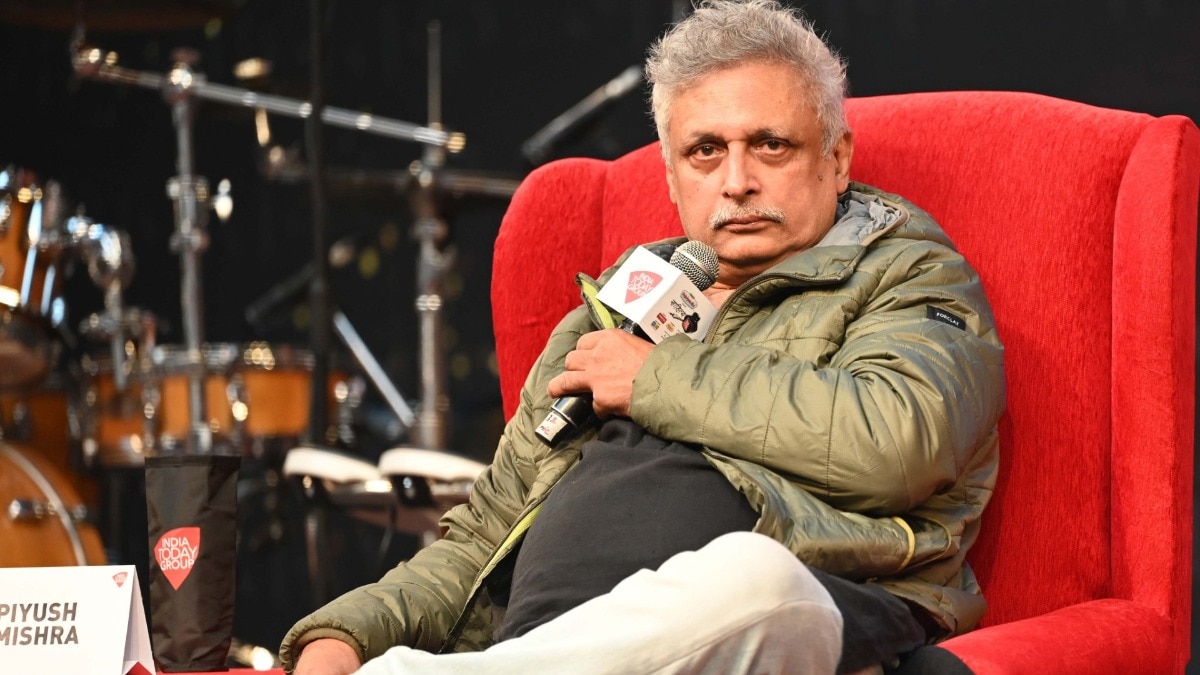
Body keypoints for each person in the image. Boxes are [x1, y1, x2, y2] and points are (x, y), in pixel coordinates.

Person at [281, 1, 1005, 673]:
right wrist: (345, 634)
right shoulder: (616, 308)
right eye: (705, 151)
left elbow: (898, 443)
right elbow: (482, 535)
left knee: (757, 582)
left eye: (770, 145)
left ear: (836, 158)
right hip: (554, 638)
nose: (737, 181)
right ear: (671, 173)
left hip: (797, 612)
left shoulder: (908, 273)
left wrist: (653, 378)